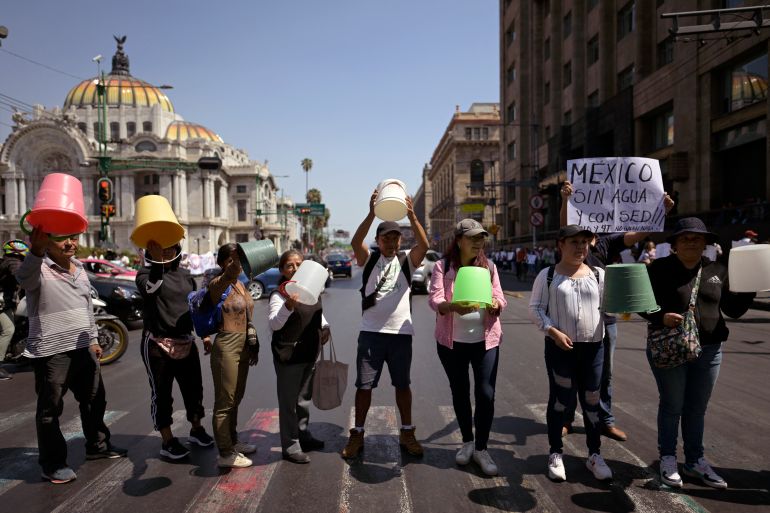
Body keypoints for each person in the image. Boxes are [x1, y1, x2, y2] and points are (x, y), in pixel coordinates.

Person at [640, 218, 754, 489]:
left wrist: (751, 284)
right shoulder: (658, 268)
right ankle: (668, 459)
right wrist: (659, 316)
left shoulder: (718, 270)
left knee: (696, 408)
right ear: (675, 244)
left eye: (697, 238)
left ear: (705, 243)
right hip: (671, 346)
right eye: (685, 238)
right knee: (672, 405)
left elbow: (734, 310)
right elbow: (641, 303)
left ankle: (694, 462)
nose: (691, 241)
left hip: (710, 349)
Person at [559, 180, 675, 442]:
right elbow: (565, 226)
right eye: (576, 238)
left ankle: (604, 420)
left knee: (605, 375)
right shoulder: (570, 246)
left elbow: (637, 234)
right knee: (571, 373)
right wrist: (565, 199)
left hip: (605, 320)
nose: (581, 243)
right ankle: (565, 418)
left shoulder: (605, 244)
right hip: (571, 320)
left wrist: (660, 212)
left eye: (586, 237)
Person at [17, 229, 127, 484]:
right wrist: (35, 250)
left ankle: (97, 446)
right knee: (50, 409)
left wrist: (93, 339)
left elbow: (86, 307)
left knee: (94, 399)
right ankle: (53, 464)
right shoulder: (38, 268)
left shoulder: (79, 269)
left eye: (73, 237)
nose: (70, 243)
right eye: (61, 238)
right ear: (47, 241)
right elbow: (23, 279)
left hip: (82, 348)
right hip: (52, 351)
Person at [342, 190, 429, 458]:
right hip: (371, 335)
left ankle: (407, 432)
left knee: (403, 386)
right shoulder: (368, 260)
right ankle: (357, 435)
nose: (391, 242)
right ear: (378, 241)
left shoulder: (406, 261)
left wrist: (412, 216)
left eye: (395, 237)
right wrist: (371, 213)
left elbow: (424, 246)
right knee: (364, 387)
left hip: (401, 334)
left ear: (400, 240)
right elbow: (357, 241)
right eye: (385, 238)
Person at [529, 225, 612, 482]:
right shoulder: (548, 275)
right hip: (560, 349)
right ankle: (556, 453)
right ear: (561, 245)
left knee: (592, 400)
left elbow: (610, 310)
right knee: (560, 400)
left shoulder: (599, 274)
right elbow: (535, 309)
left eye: (584, 242)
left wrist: (625, 305)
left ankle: (594, 454)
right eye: (574, 242)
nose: (580, 247)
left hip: (594, 348)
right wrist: (553, 331)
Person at [428, 219, 507, 476]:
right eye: (472, 238)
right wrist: (452, 306)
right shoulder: (443, 267)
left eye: (480, 238)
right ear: (459, 240)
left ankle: (482, 448)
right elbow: (435, 299)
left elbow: (500, 297)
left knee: (485, 394)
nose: (478, 242)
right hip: (452, 344)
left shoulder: (490, 267)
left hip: (486, 341)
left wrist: (496, 304)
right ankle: (467, 442)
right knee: (460, 392)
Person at [136, 240, 214, 461]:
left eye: (171, 245)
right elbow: (151, 290)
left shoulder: (186, 275)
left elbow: (193, 307)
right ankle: (167, 440)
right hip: (157, 344)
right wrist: (157, 263)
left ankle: (196, 429)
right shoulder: (145, 273)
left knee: (194, 390)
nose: (167, 249)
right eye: (162, 246)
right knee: (161, 394)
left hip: (186, 341)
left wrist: (204, 334)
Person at [268, 250, 330, 463]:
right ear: (282, 270)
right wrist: (288, 307)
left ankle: (303, 435)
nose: (294, 269)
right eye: (289, 266)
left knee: (303, 400)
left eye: (298, 265)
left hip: (309, 352)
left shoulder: (311, 287)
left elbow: (317, 313)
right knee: (289, 403)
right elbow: (274, 324)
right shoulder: (279, 294)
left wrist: (325, 326)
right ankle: (291, 445)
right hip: (289, 355)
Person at [204, 243, 259, 468]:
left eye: (237, 260)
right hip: (226, 343)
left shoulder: (240, 285)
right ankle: (225, 453)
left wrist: (253, 342)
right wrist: (236, 261)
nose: (235, 265)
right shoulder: (217, 284)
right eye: (230, 260)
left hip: (244, 344)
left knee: (236, 398)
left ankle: (233, 441)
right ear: (221, 263)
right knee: (225, 401)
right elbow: (231, 272)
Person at [0, 240, 29, 380]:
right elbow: (19, 274)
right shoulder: (13, 261)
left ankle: (23, 356)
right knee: (8, 330)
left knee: (21, 323)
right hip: (2, 302)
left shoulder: (7, 260)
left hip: (8, 302)